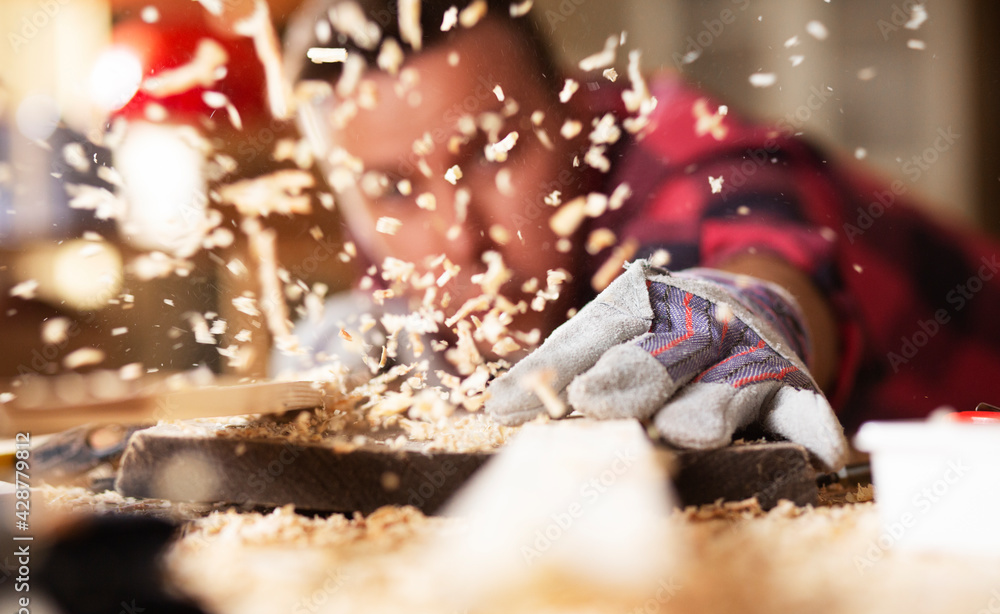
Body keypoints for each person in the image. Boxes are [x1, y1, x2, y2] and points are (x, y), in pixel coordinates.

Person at [277, 0, 1000, 468]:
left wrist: (754, 309)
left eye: (493, 152)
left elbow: (771, 255)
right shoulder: (382, 237)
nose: (459, 239)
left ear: (572, 114)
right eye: (394, 188)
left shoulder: (685, 145)